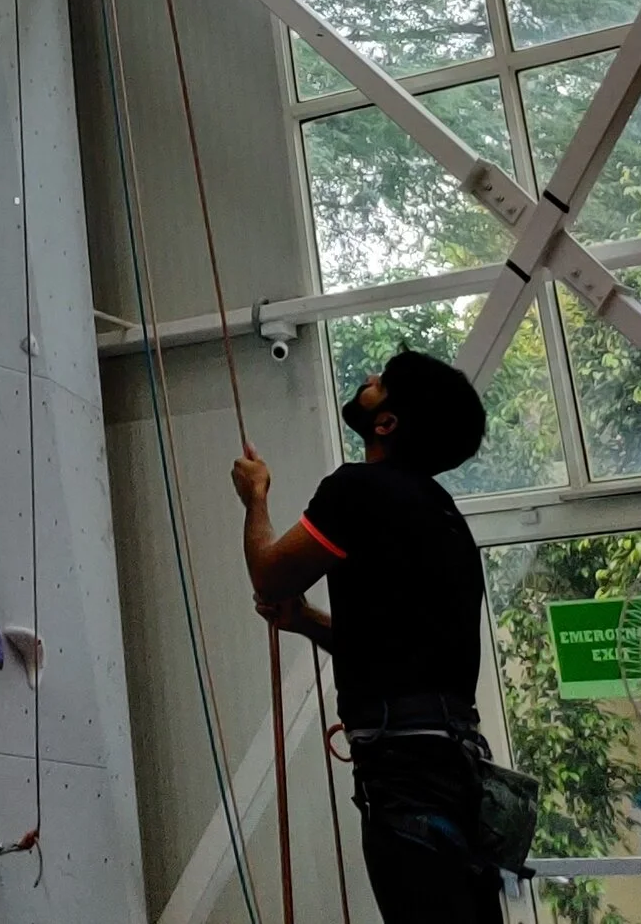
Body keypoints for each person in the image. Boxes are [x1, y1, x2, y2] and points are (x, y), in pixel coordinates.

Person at [233, 349, 500, 924]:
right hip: (455, 767)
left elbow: (269, 573)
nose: (368, 380)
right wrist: (307, 622)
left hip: (408, 772)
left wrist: (255, 499)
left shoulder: (360, 490)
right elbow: (404, 654)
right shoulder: (446, 516)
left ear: (387, 423)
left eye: (381, 382)